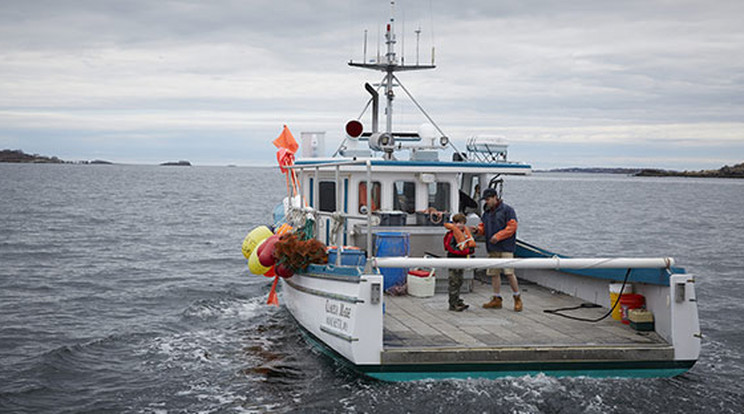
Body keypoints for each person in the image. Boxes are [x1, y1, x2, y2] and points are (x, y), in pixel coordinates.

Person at [473, 188, 523, 311]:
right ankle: (496, 298)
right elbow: (483, 227)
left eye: (488, 199)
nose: (486, 202)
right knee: (494, 273)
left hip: (506, 247)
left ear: (495, 197)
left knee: (509, 272)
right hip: (492, 247)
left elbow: (512, 227)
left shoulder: (508, 210)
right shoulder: (486, 213)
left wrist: (498, 236)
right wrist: (477, 231)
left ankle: (517, 298)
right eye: (485, 200)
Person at [443, 213, 475, 311]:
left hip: (462, 259)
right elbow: (449, 247)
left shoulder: (465, 234)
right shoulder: (451, 234)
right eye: (457, 223)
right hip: (453, 259)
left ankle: (457, 300)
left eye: (461, 223)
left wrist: (469, 251)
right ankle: (453, 303)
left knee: (459, 280)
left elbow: (470, 245)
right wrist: (462, 251)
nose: (459, 225)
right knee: (454, 281)